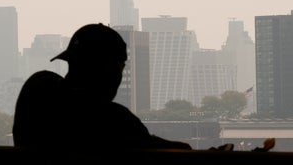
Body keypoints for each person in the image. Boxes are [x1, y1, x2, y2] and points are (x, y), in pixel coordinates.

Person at [12, 23, 191, 150]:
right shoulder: (117, 121)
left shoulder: (35, 93)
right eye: (120, 68)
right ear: (112, 72)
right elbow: (148, 146)